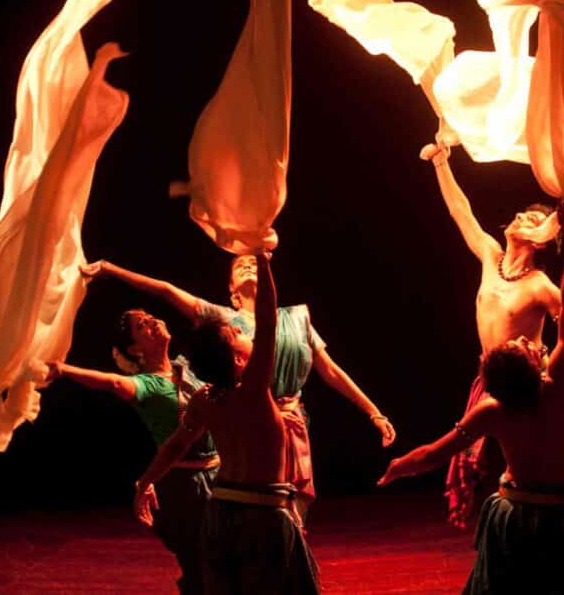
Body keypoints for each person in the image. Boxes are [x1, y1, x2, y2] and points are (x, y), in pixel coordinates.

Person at [379, 204, 564, 594]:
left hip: (514, 510)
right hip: (556, 515)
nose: (528, 344)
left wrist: (399, 467)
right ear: (533, 364)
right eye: (524, 346)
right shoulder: (557, 392)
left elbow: (433, 453)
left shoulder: (492, 411)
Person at [81, 254, 394, 520]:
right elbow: (166, 291)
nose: (248, 266)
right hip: (246, 424)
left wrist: (373, 412)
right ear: (231, 291)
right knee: (257, 509)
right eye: (239, 265)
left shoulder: (297, 318)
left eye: (254, 263)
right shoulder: (225, 323)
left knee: (294, 512)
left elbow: (330, 371)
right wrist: (110, 270)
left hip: (291, 423)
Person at [421, 140, 564, 528]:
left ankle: (532, 521)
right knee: (479, 463)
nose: (520, 216)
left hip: (529, 386)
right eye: (520, 214)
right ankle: (504, 523)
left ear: (542, 240)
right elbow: (460, 211)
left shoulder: (540, 286)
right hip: (491, 380)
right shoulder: (490, 257)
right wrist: (440, 162)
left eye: (532, 220)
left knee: (525, 464)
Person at [133, 253, 319, 594]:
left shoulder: (205, 400)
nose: (243, 331)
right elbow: (267, 319)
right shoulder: (254, 393)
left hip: (219, 512)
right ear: (238, 358)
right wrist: (263, 262)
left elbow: (175, 445)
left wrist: (144, 482)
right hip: (263, 516)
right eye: (236, 333)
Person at [45, 309, 217, 595]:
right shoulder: (146, 384)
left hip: (221, 474)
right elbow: (112, 382)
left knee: (226, 559)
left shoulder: (186, 367)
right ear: (135, 350)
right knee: (199, 564)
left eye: (150, 316)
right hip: (184, 486)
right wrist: (63, 370)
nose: (151, 320)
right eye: (141, 326)